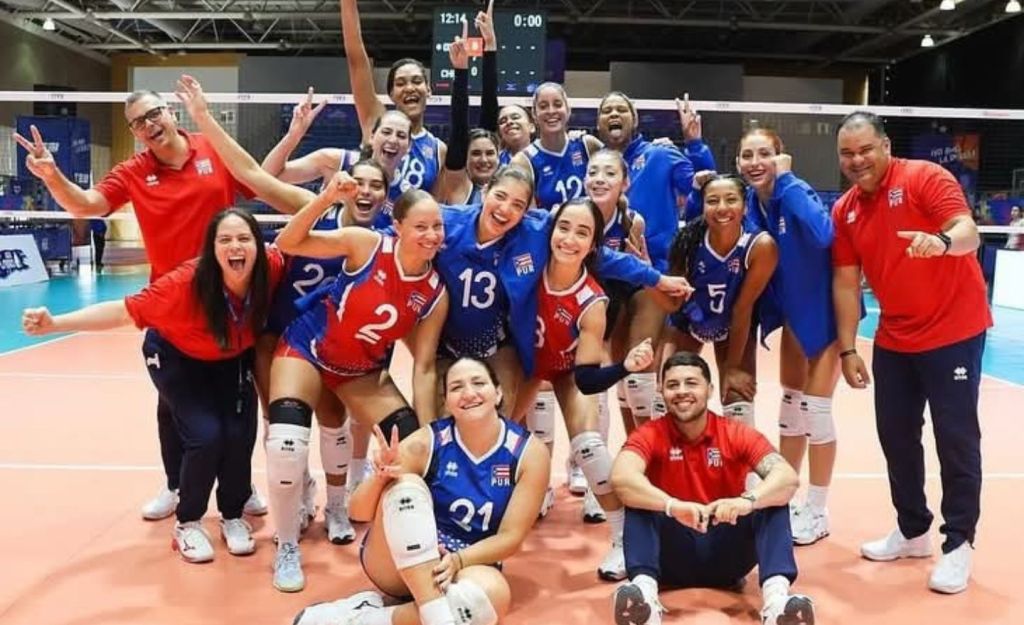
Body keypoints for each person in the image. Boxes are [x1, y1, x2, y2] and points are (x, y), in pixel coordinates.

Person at [13, 90, 268, 522]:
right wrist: (52, 176)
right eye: (138, 122)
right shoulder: (134, 171)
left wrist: (299, 143)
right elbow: (86, 205)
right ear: (135, 132)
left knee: (236, 408)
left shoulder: (213, 148)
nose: (149, 125)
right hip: (170, 302)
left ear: (170, 112)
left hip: (228, 300)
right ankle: (175, 485)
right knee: (173, 404)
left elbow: (258, 177)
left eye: (153, 114)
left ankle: (238, 487)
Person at [22, 209, 284, 562]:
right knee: (206, 435)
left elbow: (299, 240)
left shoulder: (270, 267)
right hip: (175, 356)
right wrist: (56, 323)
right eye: (225, 239)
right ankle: (188, 523)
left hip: (229, 358)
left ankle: (233, 515)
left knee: (239, 434)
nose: (235, 246)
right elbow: (122, 311)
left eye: (243, 238)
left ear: (258, 244)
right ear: (212, 248)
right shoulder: (183, 284)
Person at [831, 111, 991, 594]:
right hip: (895, 338)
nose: (857, 160)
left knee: (955, 438)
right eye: (847, 153)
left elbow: (968, 231)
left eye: (866, 149)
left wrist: (940, 241)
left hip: (954, 330)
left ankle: (958, 542)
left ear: (885, 146)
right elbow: (846, 282)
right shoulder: (845, 210)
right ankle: (913, 529)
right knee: (896, 436)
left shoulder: (924, 177)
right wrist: (847, 349)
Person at [293, 356, 550, 625]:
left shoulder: (527, 453)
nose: (469, 393)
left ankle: (365, 616)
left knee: (492, 597)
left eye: (478, 383)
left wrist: (458, 560)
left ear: (497, 393)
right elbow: (357, 511)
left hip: (468, 562)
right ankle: (438, 616)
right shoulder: (428, 442)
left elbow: (511, 537)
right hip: (400, 560)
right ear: (447, 402)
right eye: (457, 387)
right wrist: (380, 478)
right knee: (405, 487)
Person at [512, 198, 663, 581]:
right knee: (493, 434)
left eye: (582, 233)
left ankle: (626, 539)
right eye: (564, 228)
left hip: (566, 370)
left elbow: (586, 379)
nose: (569, 239)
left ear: (594, 245)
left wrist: (624, 367)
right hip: (524, 365)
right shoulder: (527, 267)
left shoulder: (592, 301)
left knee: (589, 445)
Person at [610, 351, 815, 625]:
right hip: (670, 555)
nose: (681, 392)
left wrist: (747, 501)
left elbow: (787, 477)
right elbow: (622, 478)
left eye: (691, 383)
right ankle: (644, 601)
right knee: (638, 499)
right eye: (672, 385)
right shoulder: (650, 434)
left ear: (709, 389)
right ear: (661, 392)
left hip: (727, 554)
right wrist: (673, 506)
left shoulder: (735, 433)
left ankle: (777, 603)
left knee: (773, 500)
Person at [734, 128, 841, 546]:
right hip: (792, 319)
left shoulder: (795, 191)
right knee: (791, 407)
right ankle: (785, 496)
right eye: (747, 155)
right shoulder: (751, 204)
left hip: (825, 317)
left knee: (816, 411)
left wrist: (789, 180)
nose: (755, 162)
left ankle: (818, 509)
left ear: (781, 157)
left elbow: (824, 234)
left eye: (764, 153)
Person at [596, 92, 715, 434]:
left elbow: (702, 185)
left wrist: (694, 143)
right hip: (611, 278)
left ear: (634, 119)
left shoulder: (660, 154)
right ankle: (636, 447)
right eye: (607, 110)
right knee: (623, 370)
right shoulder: (597, 165)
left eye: (621, 109)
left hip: (654, 274)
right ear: (598, 123)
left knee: (642, 366)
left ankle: (653, 450)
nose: (614, 114)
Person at [658, 174, 777, 433]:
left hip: (734, 323)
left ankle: (742, 459)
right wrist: (649, 277)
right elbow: (673, 305)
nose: (722, 208)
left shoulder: (760, 246)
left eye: (731, 200)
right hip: (689, 319)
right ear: (703, 206)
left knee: (737, 397)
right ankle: (673, 454)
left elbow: (743, 309)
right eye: (713, 201)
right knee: (668, 392)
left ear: (745, 206)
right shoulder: (687, 242)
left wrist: (732, 368)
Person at [341, 0, 447, 194]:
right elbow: (356, 58)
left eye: (417, 81)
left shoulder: (438, 150)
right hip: (365, 213)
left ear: (428, 89)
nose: (409, 88)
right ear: (391, 94)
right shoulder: (375, 118)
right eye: (400, 83)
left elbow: (434, 203)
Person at [512, 82, 603, 210]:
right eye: (543, 106)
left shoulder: (588, 145)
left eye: (557, 104)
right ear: (534, 114)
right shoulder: (523, 161)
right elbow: (529, 216)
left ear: (568, 110)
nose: (551, 111)